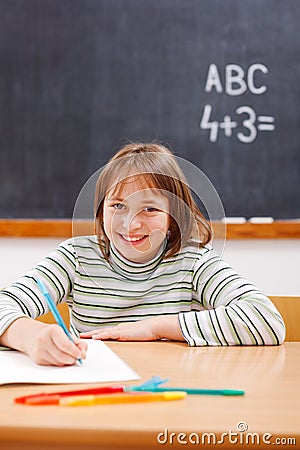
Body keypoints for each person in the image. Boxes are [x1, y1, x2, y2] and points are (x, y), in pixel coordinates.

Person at [0, 142, 285, 366]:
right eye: (118, 206)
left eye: (149, 209)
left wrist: (156, 327)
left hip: (174, 392)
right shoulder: (75, 258)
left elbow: (267, 321)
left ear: (173, 215)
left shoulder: (194, 261)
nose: (131, 224)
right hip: (93, 390)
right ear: (101, 210)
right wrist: (30, 336)